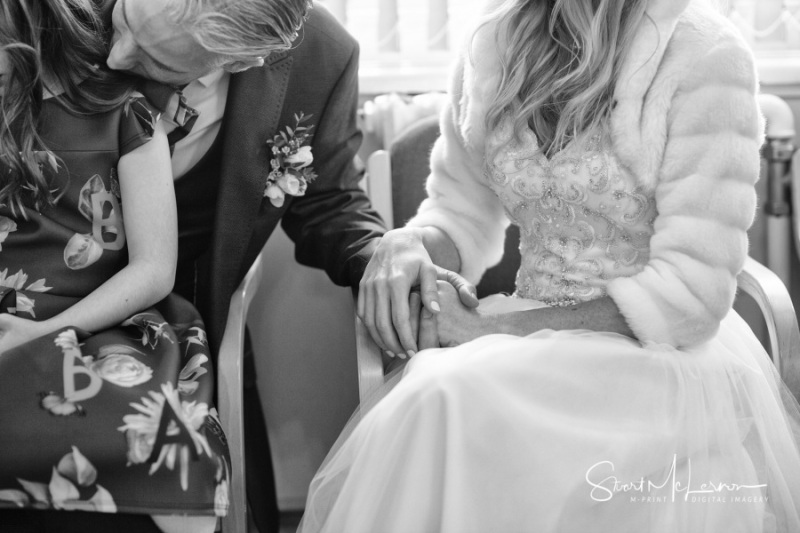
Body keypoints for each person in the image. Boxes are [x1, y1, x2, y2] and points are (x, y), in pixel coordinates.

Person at [300, 0, 800, 531]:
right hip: (521, 332)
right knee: (436, 396)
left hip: (657, 352)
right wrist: (409, 244)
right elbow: (459, 216)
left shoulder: (704, 54)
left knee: (446, 394)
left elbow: (692, 294)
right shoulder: (490, 44)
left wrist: (488, 328)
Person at [103, 1, 400, 532]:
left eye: (158, 61)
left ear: (241, 59)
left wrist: (386, 257)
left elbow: (327, 199)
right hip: (49, 277)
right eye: (123, 21)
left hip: (191, 309)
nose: (114, 54)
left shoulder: (321, 57)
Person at [0, 1, 227, 533]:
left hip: (101, 322)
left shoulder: (126, 112)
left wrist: (43, 334)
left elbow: (154, 269)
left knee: (153, 444)